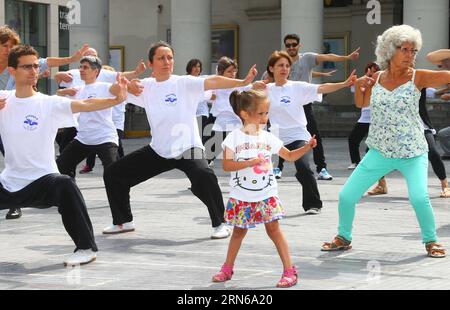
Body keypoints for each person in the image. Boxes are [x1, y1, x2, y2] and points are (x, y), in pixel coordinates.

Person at [102, 41, 259, 239]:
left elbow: (213, 81)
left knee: (204, 176)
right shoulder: (146, 87)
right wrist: (126, 85)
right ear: (151, 64)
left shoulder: (184, 83)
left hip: (188, 147)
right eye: (161, 58)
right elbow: (112, 91)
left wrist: (242, 81)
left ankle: (220, 223)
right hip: (159, 150)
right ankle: (123, 221)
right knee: (113, 174)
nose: (166, 62)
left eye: (169, 57)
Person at [322, 25, 447, 258]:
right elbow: (361, 104)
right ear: (390, 51)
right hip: (379, 150)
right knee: (346, 196)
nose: (410, 55)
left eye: (413, 50)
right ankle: (344, 237)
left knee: (419, 198)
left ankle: (431, 241)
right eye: (405, 49)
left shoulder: (419, 76)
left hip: (412, 151)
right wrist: (361, 86)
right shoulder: (376, 78)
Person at [0, 44, 127, 265]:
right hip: (10, 182)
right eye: (26, 67)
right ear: (12, 71)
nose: (33, 71)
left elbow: (86, 103)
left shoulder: (49, 103)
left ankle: (86, 247)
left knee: (66, 184)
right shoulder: (3, 99)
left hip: (43, 180)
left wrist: (115, 100)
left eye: (35, 66)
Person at [211, 89, 317, 288]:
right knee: (238, 233)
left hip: (266, 195)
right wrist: (250, 162)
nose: (265, 117)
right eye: (261, 113)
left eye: (266, 112)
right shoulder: (233, 138)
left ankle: (289, 271)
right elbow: (227, 165)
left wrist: (307, 147)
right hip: (241, 196)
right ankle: (227, 268)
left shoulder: (269, 137)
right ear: (244, 114)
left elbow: (290, 156)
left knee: (274, 231)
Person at [0, 25, 90, 220]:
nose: (8, 49)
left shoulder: (22, 62)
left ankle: (15, 202)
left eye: (12, 45)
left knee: (15, 157)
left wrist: (72, 59)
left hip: (14, 117)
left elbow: (46, 62)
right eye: (4, 45)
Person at [266, 50, 356, 215]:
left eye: (287, 65)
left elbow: (322, 87)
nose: (285, 68)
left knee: (304, 168)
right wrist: (247, 82)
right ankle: (262, 207)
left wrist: (344, 83)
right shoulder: (265, 89)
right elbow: (242, 93)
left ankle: (313, 204)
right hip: (275, 137)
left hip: (298, 136)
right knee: (262, 171)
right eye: (280, 65)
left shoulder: (297, 87)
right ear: (271, 69)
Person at [276, 33, 360, 181]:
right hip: (285, 104)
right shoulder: (282, 61)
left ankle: (322, 168)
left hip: (304, 104)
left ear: (299, 45)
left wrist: (346, 58)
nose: (291, 47)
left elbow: (327, 57)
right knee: (282, 135)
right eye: (288, 45)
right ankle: (278, 167)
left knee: (315, 136)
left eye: (293, 44)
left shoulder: (306, 58)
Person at [367, 88, 450, 198]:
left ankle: (445, 185)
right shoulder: (389, 88)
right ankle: (382, 185)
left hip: (421, 127)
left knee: (433, 152)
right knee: (374, 151)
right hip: (397, 129)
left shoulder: (418, 84)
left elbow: (434, 84)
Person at [56, 57, 121, 182]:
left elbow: (119, 89)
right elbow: (60, 103)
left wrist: (124, 85)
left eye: (85, 67)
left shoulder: (105, 87)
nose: (81, 70)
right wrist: (61, 92)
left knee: (112, 173)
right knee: (61, 166)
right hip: (83, 138)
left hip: (104, 137)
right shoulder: (77, 90)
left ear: (96, 71)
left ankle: (119, 200)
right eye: (80, 67)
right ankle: (70, 194)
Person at [78, 65, 127, 174]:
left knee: (116, 149)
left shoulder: (113, 88)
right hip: (98, 128)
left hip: (115, 125)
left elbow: (121, 100)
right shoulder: (99, 89)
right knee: (92, 147)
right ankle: (90, 165)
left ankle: (121, 167)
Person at [347, 62, 380, 170]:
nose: (373, 74)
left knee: (374, 143)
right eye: (371, 71)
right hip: (365, 117)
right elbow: (356, 91)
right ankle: (356, 162)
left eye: (376, 71)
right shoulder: (362, 81)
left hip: (378, 118)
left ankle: (380, 163)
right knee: (353, 139)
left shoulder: (381, 82)